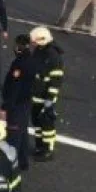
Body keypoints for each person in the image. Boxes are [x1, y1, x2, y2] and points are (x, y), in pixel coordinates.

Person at [0, 34, 36, 171]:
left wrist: (5, 107)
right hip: (26, 103)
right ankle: (23, 161)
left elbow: (14, 88)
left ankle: (10, 165)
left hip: (16, 105)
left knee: (13, 135)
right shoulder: (32, 60)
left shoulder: (19, 64)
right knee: (23, 132)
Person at [29, 26, 64, 161]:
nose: (33, 44)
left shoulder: (53, 56)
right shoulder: (40, 50)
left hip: (45, 97)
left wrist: (50, 99)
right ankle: (39, 146)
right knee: (37, 122)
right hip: (37, 95)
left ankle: (48, 149)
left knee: (46, 125)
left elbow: (56, 80)